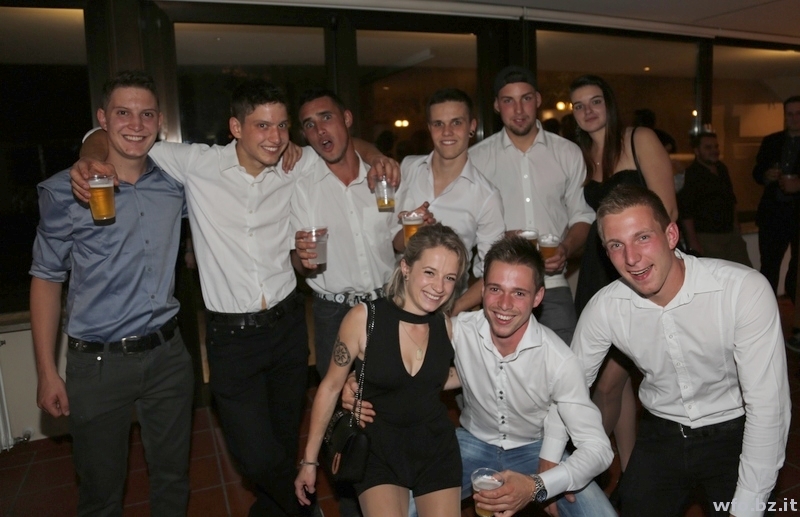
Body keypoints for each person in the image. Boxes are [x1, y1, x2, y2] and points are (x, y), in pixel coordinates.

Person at [69, 78, 399, 517]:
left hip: (287, 330)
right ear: (236, 128)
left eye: (281, 126)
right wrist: (90, 161)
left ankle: (273, 512)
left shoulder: (295, 165)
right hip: (231, 339)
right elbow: (110, 136)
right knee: (254, 456)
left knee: (282, 440)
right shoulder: (197, 164)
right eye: (262, 125)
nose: (275, 137)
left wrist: (378, 157)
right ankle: (304, 509)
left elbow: (342, 145)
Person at [346, 236, 616, 517]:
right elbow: (402, 365)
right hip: (470, 444)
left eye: (519, 293)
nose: (504, 304)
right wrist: (356, 381)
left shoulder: (559, 359)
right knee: (403, 509)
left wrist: (538, 485)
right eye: (496, 289)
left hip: (533, 447)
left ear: (537, 297)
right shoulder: (458, 331)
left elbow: (599, 449)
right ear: (483, 289)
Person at [30, 70, 194, 516]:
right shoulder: (66, 191)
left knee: (173, 480)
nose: (136, 125)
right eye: (123, 113)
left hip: (167, 356)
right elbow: (45, 278)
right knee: (100, 493)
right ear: (102, 119)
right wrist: (46, 371)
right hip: (98, 364)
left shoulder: (175, 186)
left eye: (146, 115)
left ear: (160, 121)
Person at [572, 184, 790, 517]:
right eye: (617, 245)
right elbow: (568, 389)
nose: (631, 258)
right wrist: (552, 462)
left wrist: (748, 506)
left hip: (734, 433)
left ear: (671, 235)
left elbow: (768, 407)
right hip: (661, 433)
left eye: (643, 237)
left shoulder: (741, 290)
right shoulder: (605, 307)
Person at [295, 224, 469, 517]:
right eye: (429, 272)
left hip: (435, 448)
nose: (439, 287)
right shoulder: (365, 318)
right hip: (378, 450)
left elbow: (439, 379)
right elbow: (330, 386)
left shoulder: (446, 326)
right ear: (406, 267)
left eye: (449, 277)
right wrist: (309, 461)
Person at [569, 74, 678, 481]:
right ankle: (629, 474)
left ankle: (584, 468)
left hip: (640, 269)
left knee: (606, 384)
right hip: (599, 270)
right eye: (579, 105)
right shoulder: (580, 156)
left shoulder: (638, 138)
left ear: (609, 103)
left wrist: (641, 271)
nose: (588, 111)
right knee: (619, 384)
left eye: (595, 101)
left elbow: (667, 211)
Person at [469, 65, 594, 345]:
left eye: (525, 98)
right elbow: (465, 226)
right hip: (497, 289)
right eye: (508, 100)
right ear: (496, 106)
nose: (518, 109)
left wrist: (565, 248)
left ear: (537, 100)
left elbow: (583, 216)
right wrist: (498, 237)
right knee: (496, 369)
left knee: (566, 366)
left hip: (552, 287)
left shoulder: (568, 153)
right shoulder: (476, 159)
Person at [394, 88, 505, 315]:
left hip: (444, 309)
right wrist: (411, 231)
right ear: (429, 128)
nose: (447, 132)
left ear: (472, 126)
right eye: (438, 124)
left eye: (456, 122)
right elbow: (395, 245)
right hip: (396, 302)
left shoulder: (486, 196)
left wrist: (452, 310)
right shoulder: (408, 169)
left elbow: (492, 273)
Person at [752, 95, 800, 303]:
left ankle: (795, 315)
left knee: (796, 272)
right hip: (773, 214)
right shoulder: (771, 141)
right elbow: (756, 173)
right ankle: (766, 313)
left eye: (798, 114)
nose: (794, 118)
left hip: (798, 215)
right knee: (769, 268)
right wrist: (766, 175)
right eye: (790, 114)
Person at [678, 131, 752, 266]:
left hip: (730, 234)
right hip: (707, 236)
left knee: (745, 270)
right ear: (697, 151)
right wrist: (693, 242)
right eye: (708, 147)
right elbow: (686, 213)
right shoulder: (691, 175)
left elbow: (731, 198)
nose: (714, 151)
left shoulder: (722, 168)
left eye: (716, 146)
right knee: (718, 273)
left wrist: (736, 225)